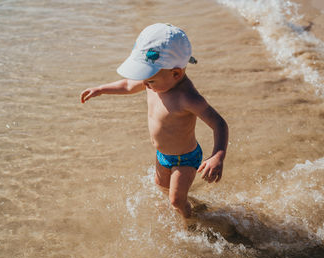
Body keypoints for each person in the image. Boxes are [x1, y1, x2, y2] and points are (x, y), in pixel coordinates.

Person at [80, 23, 228, 219]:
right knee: (162, 191)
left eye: (149, 81)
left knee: (175, 200)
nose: (145, 85)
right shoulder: (156, 81)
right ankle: (192, 205)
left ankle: (190, 222)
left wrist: (217, 156)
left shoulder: (187, 98)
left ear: (176, 73)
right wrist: (100, 89)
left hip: (185, 158)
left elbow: (219, 123)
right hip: (162, 155)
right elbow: (126, 85)